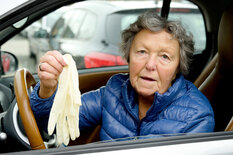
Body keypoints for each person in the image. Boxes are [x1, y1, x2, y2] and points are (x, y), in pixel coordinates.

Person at [30, 11, 215, 142]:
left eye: (164, 57)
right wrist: (48, 87)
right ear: (128, 57)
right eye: (141, 52)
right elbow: (55, 124)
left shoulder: (197, 117)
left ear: (177, 68)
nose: (150, 65)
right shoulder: (114, 90)